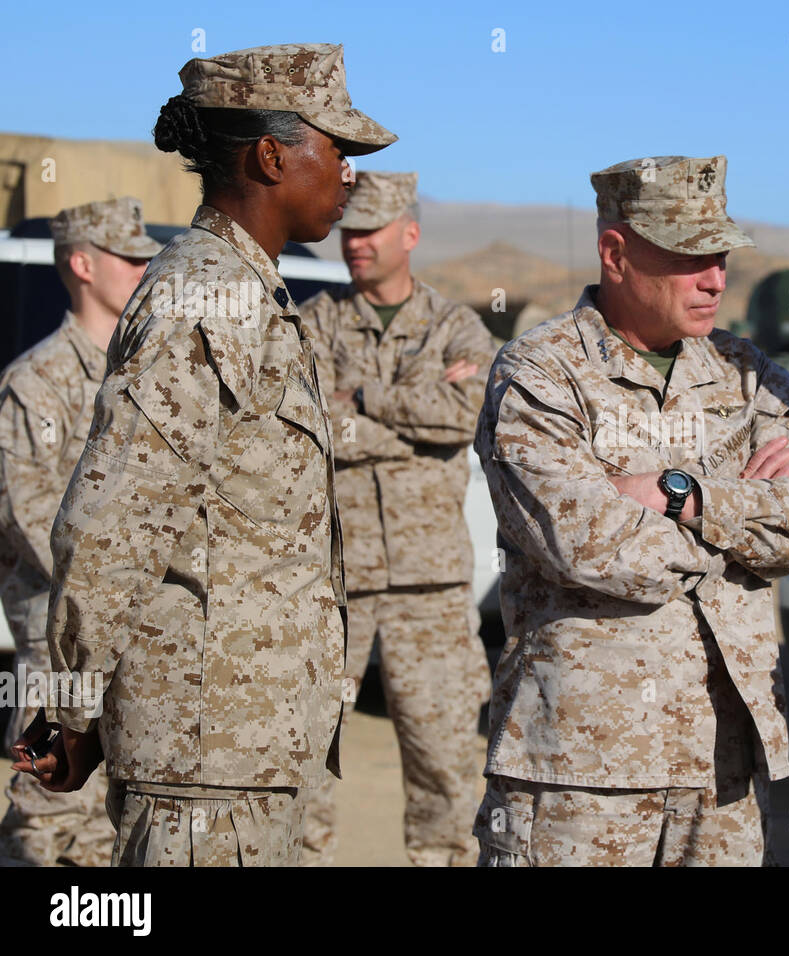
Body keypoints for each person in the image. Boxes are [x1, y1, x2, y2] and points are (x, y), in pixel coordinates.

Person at [9, 42, 395, 866]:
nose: (348, 177)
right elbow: (119, 515)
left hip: (242, 748)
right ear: (268, 154)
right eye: (336, 151)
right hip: (203, 757)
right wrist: (75, 705)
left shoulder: (247, 290)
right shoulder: (205, 296)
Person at [472, 154, 789, 866]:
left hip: (723, 766)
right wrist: (746, 519)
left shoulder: (748, 375)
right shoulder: (539, 375)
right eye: (688, 257)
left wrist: (683, 494)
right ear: (615, 253)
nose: (715, 278)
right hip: (581, 774)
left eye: (721, 256)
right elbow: (594, 547)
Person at [298, 171, 493, 867]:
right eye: (349, 230)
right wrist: (413, 415)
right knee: (307, 758)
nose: (355, 244)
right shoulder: (315, 322)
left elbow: (471, 414)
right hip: (331, 579)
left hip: (430, 584)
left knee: (442, 763)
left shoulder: (453, 325)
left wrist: (367, 398)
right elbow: (307, 425)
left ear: (408, 234)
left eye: (371, 230)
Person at [0, 197, 161, 866]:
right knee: (48, 818)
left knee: (117, 823)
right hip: (61, 637)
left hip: (141, 631)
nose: (142, 267)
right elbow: (30, 515)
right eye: (128, 257)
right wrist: (111, 580)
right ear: (82, 262)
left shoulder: (145, 374)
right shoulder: (36, 381)